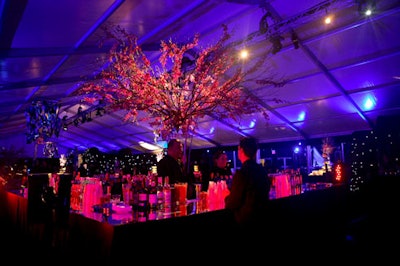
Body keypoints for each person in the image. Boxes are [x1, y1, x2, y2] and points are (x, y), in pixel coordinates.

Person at [224, 137, 271, 227]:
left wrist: (226, 198)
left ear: (241, 150)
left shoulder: (242, 173)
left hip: (246, 221)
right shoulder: (262, 171)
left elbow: (233, 203)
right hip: (263, 217)